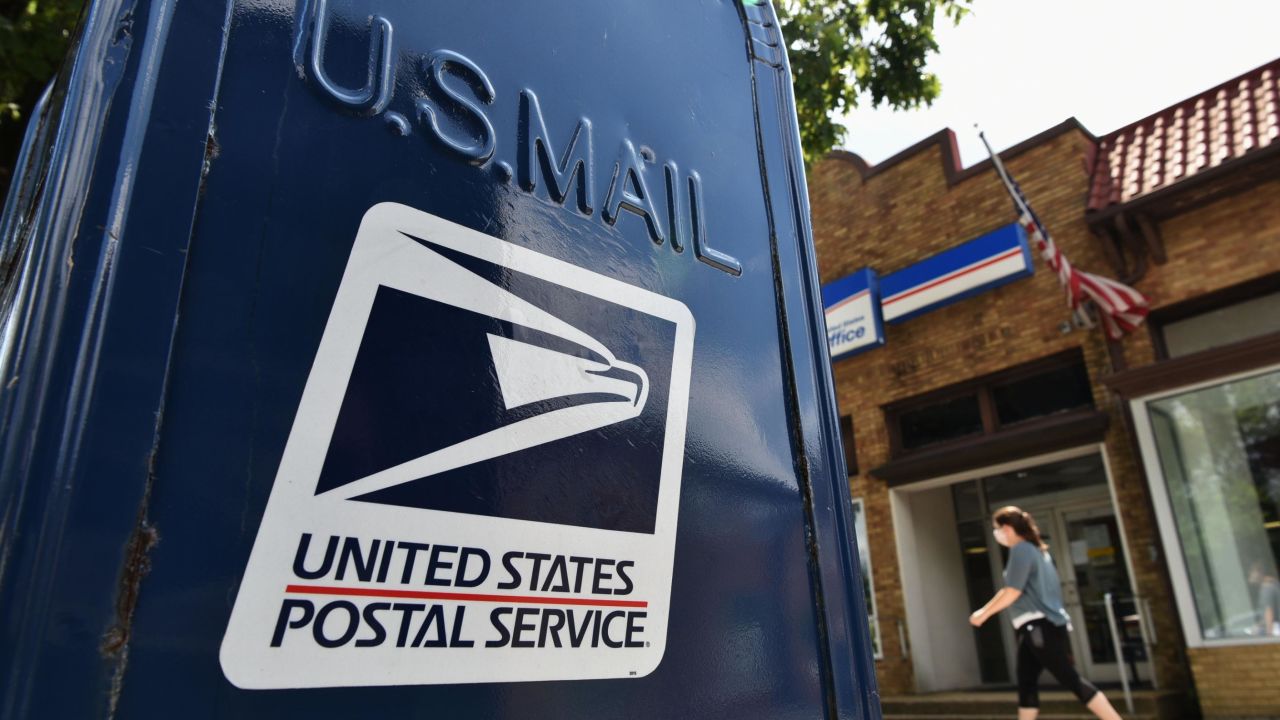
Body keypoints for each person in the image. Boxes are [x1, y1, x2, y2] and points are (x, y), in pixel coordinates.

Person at [969, 506, 1123, 720]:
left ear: (1007, 528)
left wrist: (983, 613)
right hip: (1038, 627)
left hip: (1039, 627)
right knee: (1026, 680)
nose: (997, 534)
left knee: (1069, 678)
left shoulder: (1021, 550)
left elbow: (1012, 591)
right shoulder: (1037, 551)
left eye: (997, 529)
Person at [1249, 560, 1280, 637]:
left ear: (1259, 572)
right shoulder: (1274, 584)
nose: (1250, 575)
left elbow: (1269, 612)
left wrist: (1269, 635)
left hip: (1275, 629)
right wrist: (1258, 625)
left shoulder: (1267, 587)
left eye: (1252, 572)